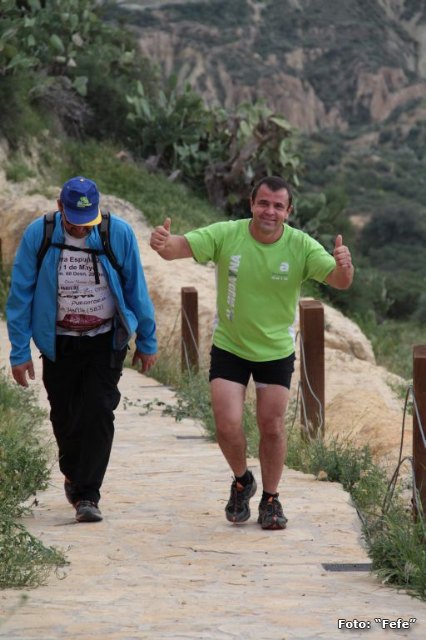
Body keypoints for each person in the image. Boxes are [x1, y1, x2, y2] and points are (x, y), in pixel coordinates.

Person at [150, 175, 353, 530]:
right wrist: (163, 242)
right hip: (231, 345)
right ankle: (243, 480)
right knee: (227, 426)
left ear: (288, 211)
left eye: (278, 206)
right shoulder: (227, 234)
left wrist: (345, 266)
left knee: (271, 427)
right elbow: (177, 248)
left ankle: (271, 500)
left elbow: (339, 281)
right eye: (263, 203)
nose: (269, 212)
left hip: (275, 350)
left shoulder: (301, 246)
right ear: (251, 204)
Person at [7, 176, 157, 523]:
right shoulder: (39, 234)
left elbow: (137, 288)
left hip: (105, 338)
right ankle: (74, 475)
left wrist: (147, 341)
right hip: (59, 341)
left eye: (86, 221)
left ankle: (89, 494)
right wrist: (19, 352)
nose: (80, 228)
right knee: (64, 415)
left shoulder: (115, 234)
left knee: (99, 410)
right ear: (60, 208)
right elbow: (20, 297)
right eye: (74, 220)